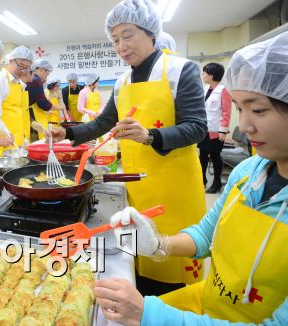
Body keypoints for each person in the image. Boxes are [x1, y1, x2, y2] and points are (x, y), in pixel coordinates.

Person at [94, 31, 288, 326]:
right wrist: (158, 244)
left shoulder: (177, 72)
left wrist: (150, 315)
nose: (245, 125)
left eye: (258, 110)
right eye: (239, 109)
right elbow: (206, 235)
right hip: (209, 303)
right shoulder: (248, 172)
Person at [50, 0, 208, 295]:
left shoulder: (180, 70)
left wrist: (150, 136)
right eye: (115, 40)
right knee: (139, 263)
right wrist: (67, 132)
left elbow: (197, 127)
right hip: (135, 184)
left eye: (128, 35)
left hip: (175, 188)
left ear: (151, 33)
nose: (121, 45)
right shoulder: (122, 81)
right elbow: (103, 123)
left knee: (172, 276)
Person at [0, 46, 34, 147]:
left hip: (18, 141)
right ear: (11, 61)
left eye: (27, 68)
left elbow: (20, 113)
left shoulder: (20, 84)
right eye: (21, 65)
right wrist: (7, 135)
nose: (23, 71)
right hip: (4, 141)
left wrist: (24, 138)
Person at [199, 63, 232, 193]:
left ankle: (217, 183)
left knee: (215, 156)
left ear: (211, 75)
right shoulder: (206, 89)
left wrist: (223, 130)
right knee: (202, 156)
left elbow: (226, 112)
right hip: (204, 129)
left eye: (204, 73)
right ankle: (202, 181)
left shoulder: (223, 90)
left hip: (216, 131)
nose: (203, 75)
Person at [28, 59, 58, 141]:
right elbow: (43, 103)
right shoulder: (36, 80)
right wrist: (57, 107)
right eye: (47, 74)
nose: (46, 77)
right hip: (32, 117)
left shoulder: (32, 79)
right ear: (42, 70)